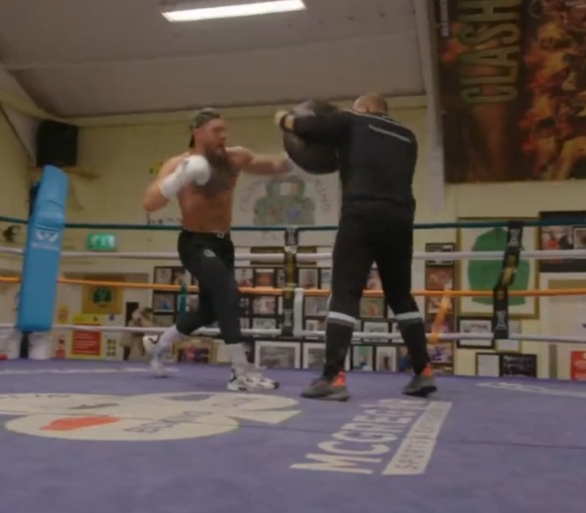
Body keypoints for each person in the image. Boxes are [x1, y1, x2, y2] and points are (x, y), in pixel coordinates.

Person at [275, 93, 436, 401]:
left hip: (361, 214)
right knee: (401, 295)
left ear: (366, 108)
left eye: (355, 107)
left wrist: (283, 119)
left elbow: (310, 127)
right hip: (400, 218)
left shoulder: (352, 121)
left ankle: (333, 377)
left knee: (345, 293)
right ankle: (423, 370)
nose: (351, 111)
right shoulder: (408, 137)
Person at [141, 108, 294, 391]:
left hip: (223, 244)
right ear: (197, 132)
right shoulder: (178, 164)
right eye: (216, 130)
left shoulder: (234, 158)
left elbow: (275, 166)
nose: (223, 135)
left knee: (210, 310)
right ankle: (240, 371)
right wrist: (179, 179)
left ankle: (158, 343)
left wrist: (309, 151)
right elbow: (150, 203)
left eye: (224, 130)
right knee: (227, 293)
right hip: (195, 242)